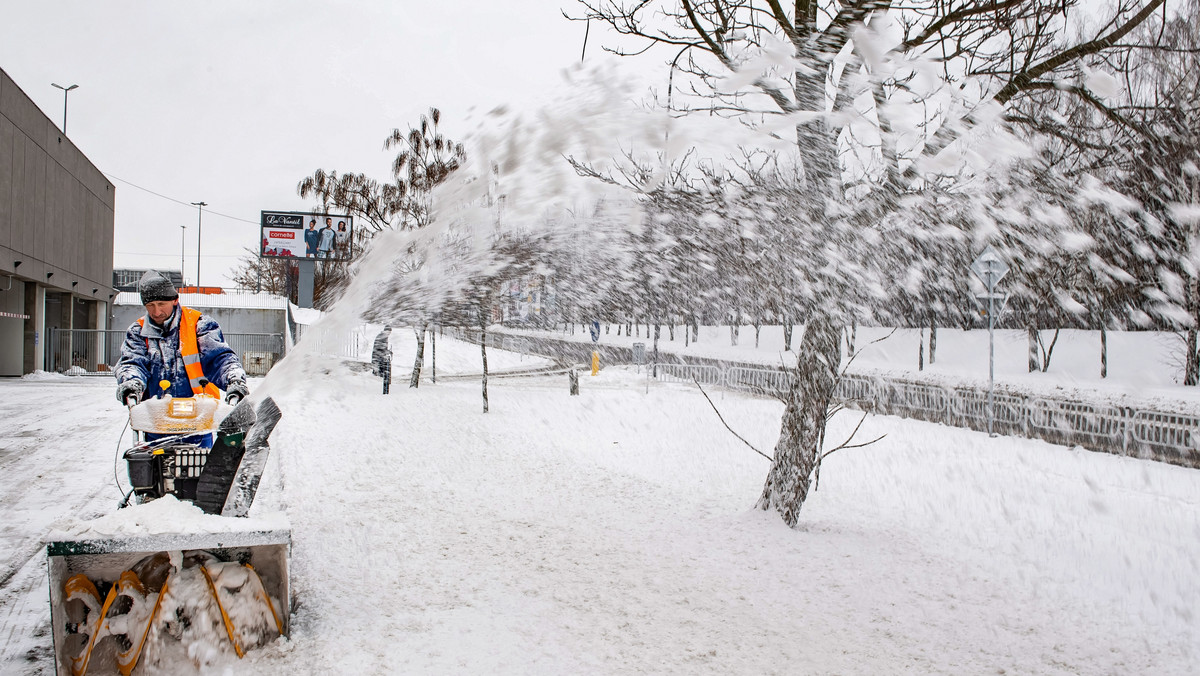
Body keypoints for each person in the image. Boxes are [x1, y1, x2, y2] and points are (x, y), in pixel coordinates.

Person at [115, 270, 248, 409]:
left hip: (199, 411)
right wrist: (131, 383)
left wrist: (234, 379)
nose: (156, 312)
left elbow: (219, 359)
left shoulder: (199, 325)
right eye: (150, 305)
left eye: (161, 304)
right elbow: (133, 363)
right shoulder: (138, 332)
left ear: (175, 300)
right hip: (156, 412)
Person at [372, 326, 392, 394]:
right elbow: (380, 348)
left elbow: (381, 348)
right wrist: (386, 352)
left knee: (382, 374)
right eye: (389, 332)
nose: (389, 334)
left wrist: (387, 351)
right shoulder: (382, 336)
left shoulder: (382, 336)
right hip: (378, 358)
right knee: (379, 375)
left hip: (379, 358)